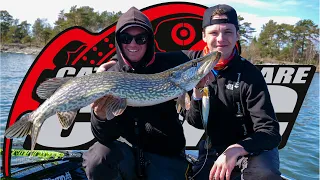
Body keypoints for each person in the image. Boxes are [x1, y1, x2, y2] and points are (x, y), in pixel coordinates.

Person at [82, 7, 191, 180]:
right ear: (119, 41)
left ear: (149, 41)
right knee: (97, 158)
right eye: (126, 38)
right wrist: (100, 117)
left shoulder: (172, 63)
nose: (133, 44)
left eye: (140, 38)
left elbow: (207, 54)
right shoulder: (111, 75)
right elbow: (104, 136)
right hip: (127, 154)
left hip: (166, 154)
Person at [184, 4, 282, 180]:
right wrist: (115, 60)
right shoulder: (189, 63)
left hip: (252, 147)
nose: (221, 38)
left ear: (237, 35)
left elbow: (271, 132)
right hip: (213, 146)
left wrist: (237, 148)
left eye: (228, 32)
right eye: (214, 33)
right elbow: (196, 122)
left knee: (264, 175)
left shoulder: (250, 74)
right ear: (204, 36)